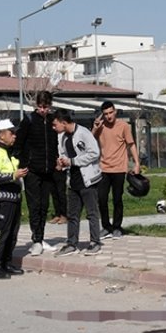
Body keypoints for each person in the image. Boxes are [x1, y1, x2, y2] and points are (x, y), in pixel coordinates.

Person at [13, 90, 62, 255]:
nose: (43, 110)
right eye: (40, 107)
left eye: (46, 107)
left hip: (48, 170)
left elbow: (55, 142)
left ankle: (41, 237)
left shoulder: (52, 121)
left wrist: (56, 160)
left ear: (50, 105)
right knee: (34, 206)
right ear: (36, 105)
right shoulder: (28, 120)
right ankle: (36, 240)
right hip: (32, 170)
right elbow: (18, 144)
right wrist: (22, 163)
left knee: (44, 206)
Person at [52, 108, 103, 256]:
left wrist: (72, 161)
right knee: (72, 214)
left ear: (63, 122)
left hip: (88, 180)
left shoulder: (83, 133)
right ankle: (71, 243)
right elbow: (63, 155)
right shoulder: (62, 137)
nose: (54, 128)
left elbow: (94, 153)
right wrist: (61, 163)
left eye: (55, 124)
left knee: (92, 213)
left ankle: (95, 242)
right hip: (73, 181)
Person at [0, 119, 28, 279]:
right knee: (1, 233)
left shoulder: (10, 152)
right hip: (1, 200)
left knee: (12, 234)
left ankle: (7, 263)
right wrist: (13, 175)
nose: (14, 136)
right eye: (11, 133)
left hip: (14, 198)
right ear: (2, 135)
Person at [91, 101, 141, 239]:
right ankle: (106, 227)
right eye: (105, 114)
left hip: (119, 168)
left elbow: (131, 145)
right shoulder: (100, 127)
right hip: (104, 168)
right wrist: (95, 128)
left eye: (110, 113)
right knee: (101, 198)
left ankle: (117, 227)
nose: (108, 116)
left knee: (117, 199)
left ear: (115, 111)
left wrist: (136, 163)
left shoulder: (124, 126)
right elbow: (89, 140)